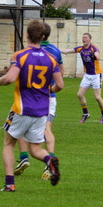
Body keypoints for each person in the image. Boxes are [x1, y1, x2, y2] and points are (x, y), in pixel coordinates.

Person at [0, 19, 63, 192]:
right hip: (42, 110)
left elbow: (9, 78)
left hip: (22, 108)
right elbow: (60, 85)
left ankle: (10, 184)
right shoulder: (51, 58)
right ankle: (50, 160)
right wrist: (48, 90)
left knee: (9, 144)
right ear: (42, 37)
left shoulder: (20, 55)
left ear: (27, 35)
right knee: (36, 149)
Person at [15, 22, 63, 181]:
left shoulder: (28, 52)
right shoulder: (55, 52)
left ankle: (23, 157)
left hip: (28, 97)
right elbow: (61, 76)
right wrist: (50, 89)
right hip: (48, 98)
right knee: (47, 128)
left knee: (20, 127)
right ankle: (50, 161)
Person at [62, 32, 103, 124]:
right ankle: (85, 114)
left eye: (85, 37)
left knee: (97, 97)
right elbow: (67, 51)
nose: (83, 39)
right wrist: (54, 49)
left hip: (96, 75)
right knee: (79, 95)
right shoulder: (80, 49)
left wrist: (96, 56)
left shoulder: (93, 48)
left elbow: (98, 55)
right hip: (87, 75)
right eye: (83, 37)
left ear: (90, 39)